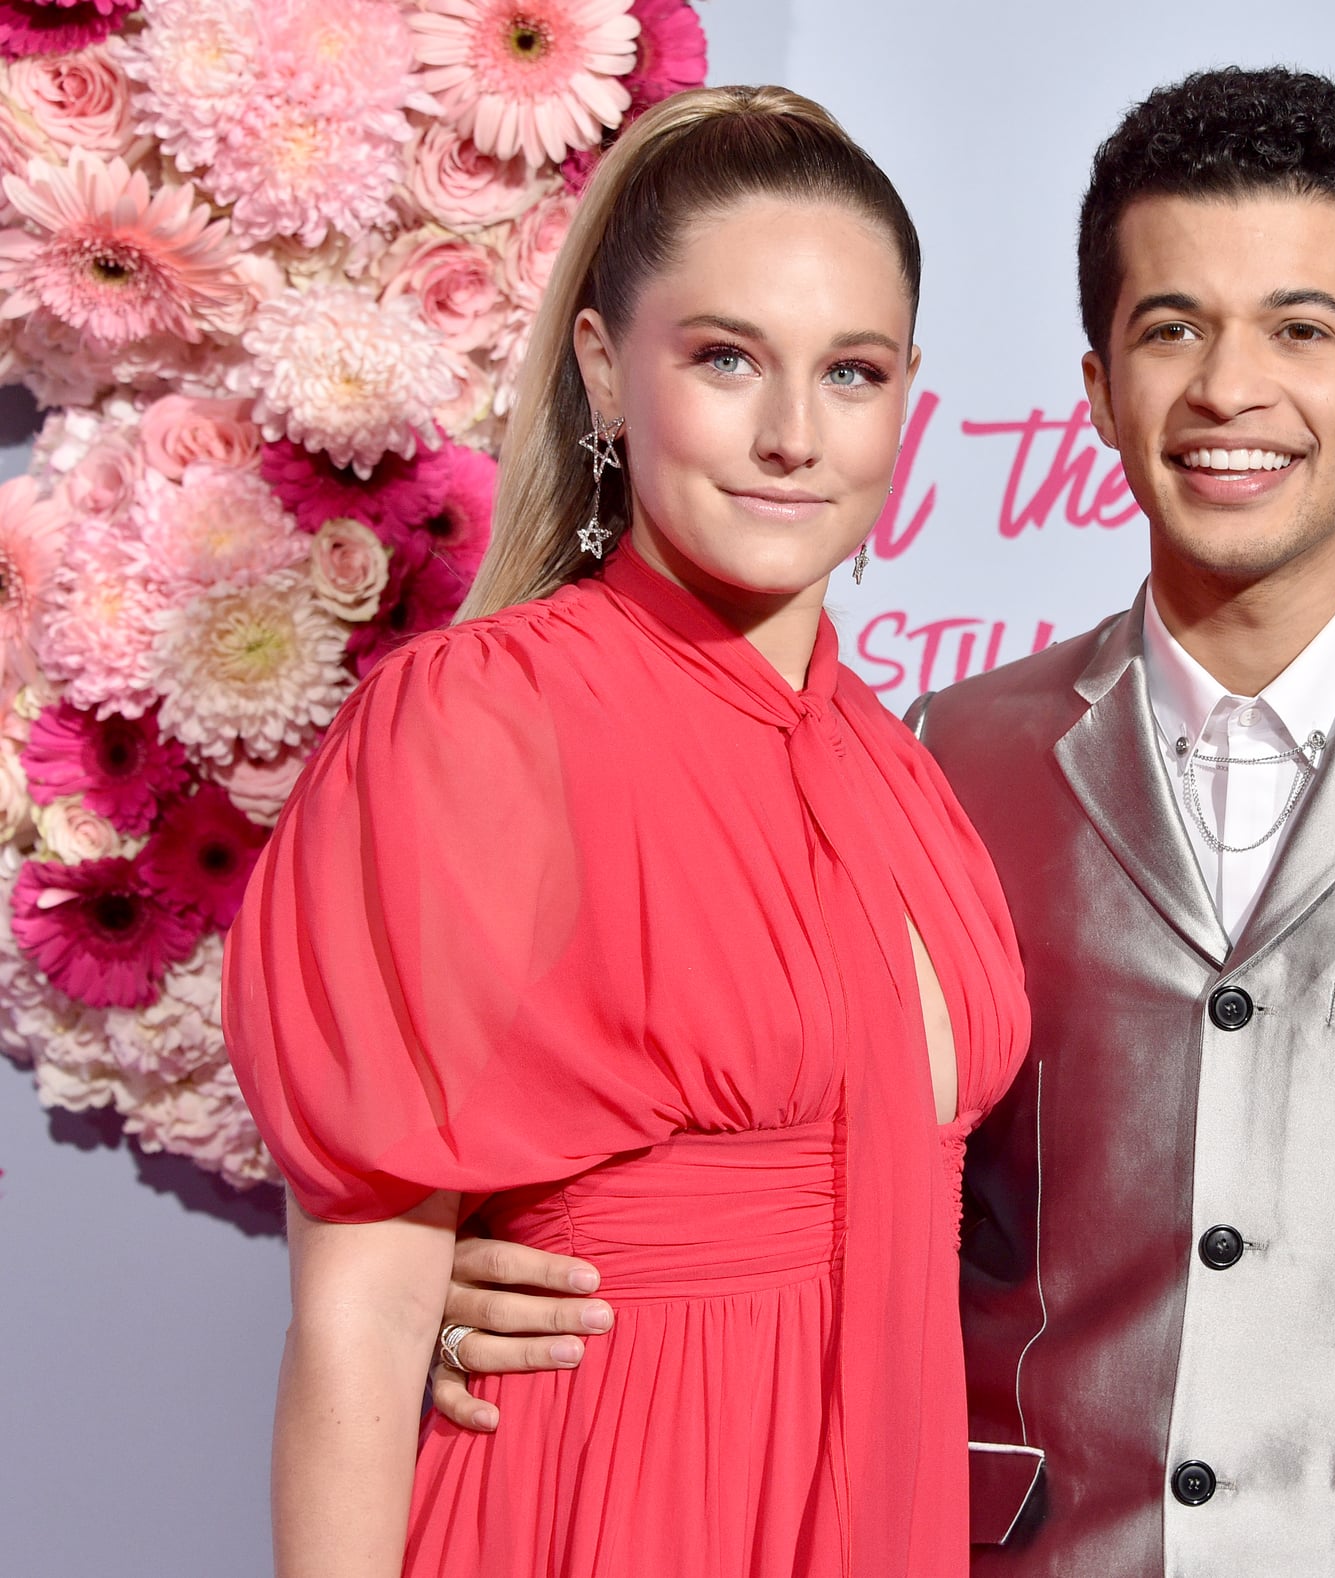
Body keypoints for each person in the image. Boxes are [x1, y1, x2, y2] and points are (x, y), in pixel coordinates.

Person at [429, 68, 1335, 1578]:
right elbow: (839, 1176)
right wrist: (485, 1276)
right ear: (1099, 387)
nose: (1229, 389)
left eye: (1301, 330)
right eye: (1171, 327)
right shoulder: (948, 758)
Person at [224, 86, 1030, 1578]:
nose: (794, 435)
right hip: (598, 1508)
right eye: (726, 359)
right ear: (605, 371)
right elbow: (362, 1313)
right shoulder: (479, 724)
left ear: (908, 395)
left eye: (850, 372)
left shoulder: (905, 774)